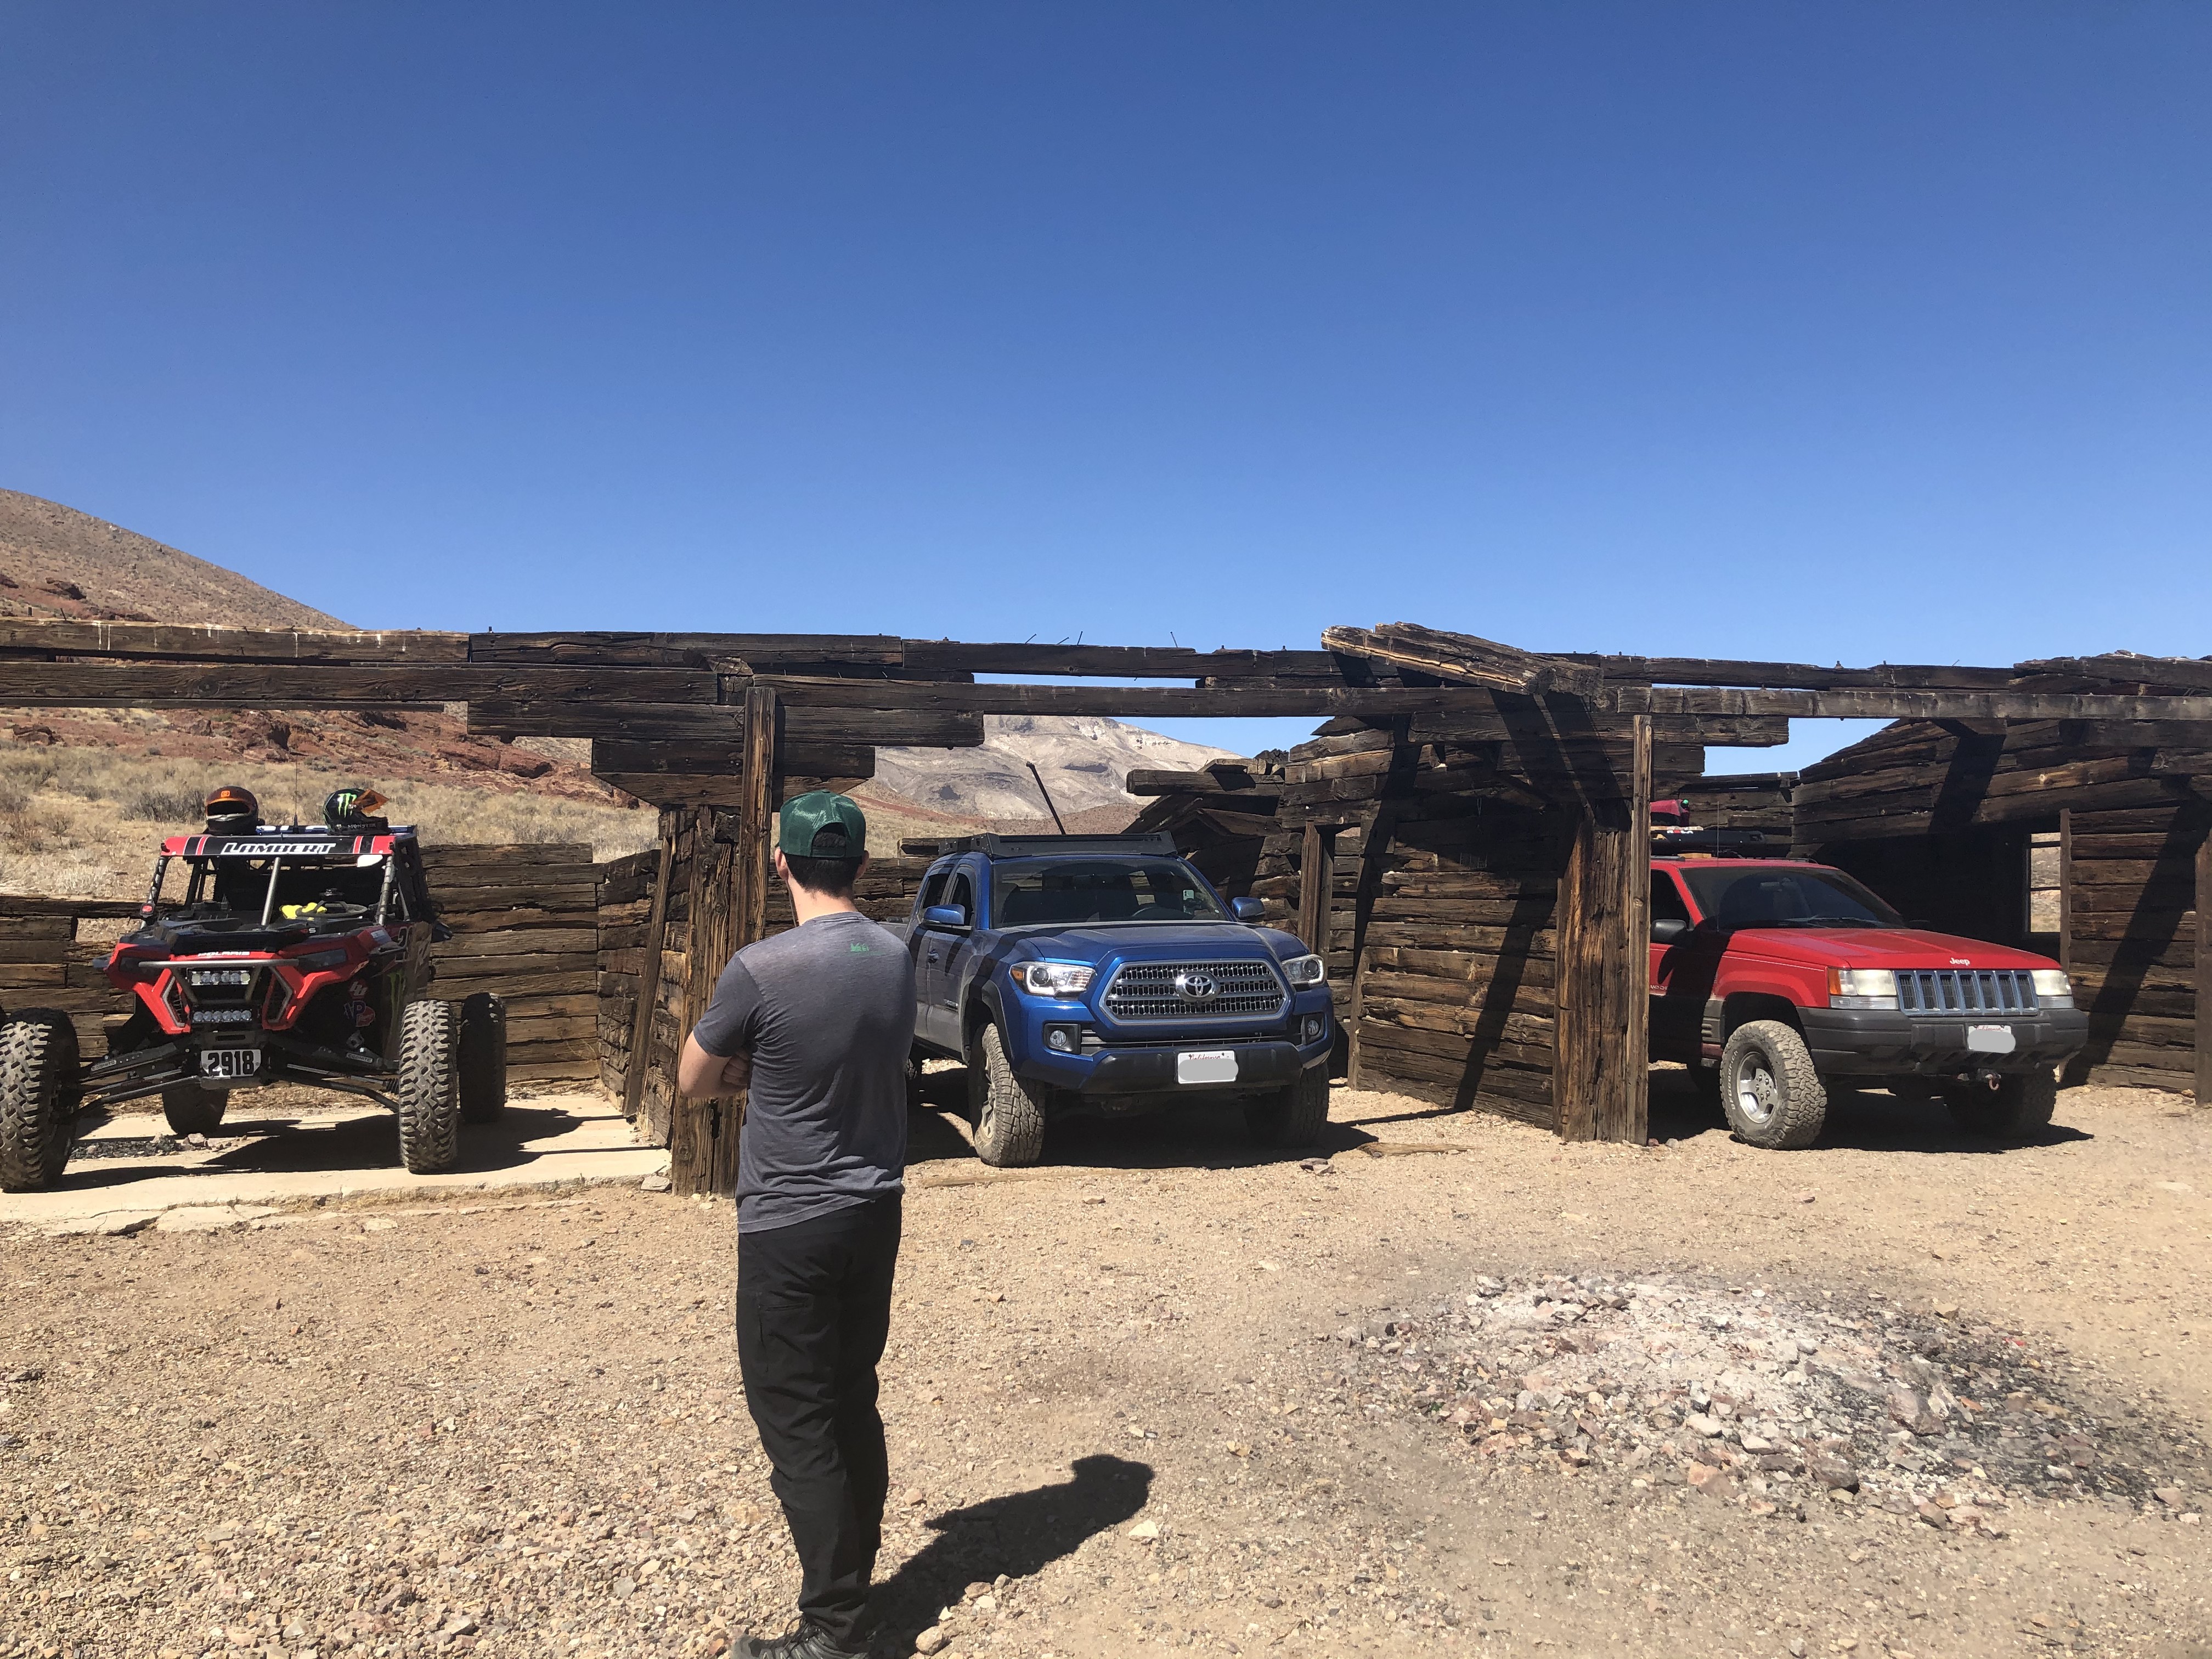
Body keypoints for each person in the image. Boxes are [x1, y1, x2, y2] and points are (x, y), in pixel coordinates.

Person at [678, 791, 916, 1659]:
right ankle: (859, 1579)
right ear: (858, 863)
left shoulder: (761, 969)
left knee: (796, 1419)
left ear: (780, 861)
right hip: (875, 1206)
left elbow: (692, 1079)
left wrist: (758, 1071)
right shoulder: (895, 955)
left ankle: (835, 1633)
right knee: (852, 1395)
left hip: (788, 1221)